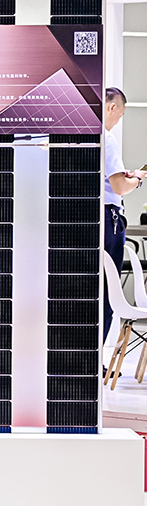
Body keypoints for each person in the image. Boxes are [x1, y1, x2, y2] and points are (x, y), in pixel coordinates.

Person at [103, 87, 141, 338]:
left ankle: (86, 355)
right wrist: (137, 180)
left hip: (90, 218)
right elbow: (119, 187)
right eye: (121, 114)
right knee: (108, 289)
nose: (118, 121)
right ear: (112, 107)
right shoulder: (107, 138)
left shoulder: (85, 135)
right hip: (109, 219)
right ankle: (97, 355)